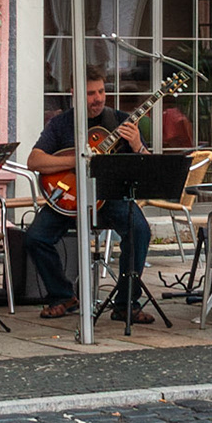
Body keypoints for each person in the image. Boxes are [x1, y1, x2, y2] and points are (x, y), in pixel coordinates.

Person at [23, 67, 154, 323]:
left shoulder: (121, 121)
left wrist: (137, 144)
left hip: (110, 196)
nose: (98, 98)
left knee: (140, 230)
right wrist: (77, 161)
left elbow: (148, 168)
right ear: (75, 94)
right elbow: (34, 161)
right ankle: (63, 296)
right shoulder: (61, 124)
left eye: (101, 91)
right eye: (91, 93)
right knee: (34, 238)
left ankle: (126, 303)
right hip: (69, 199)